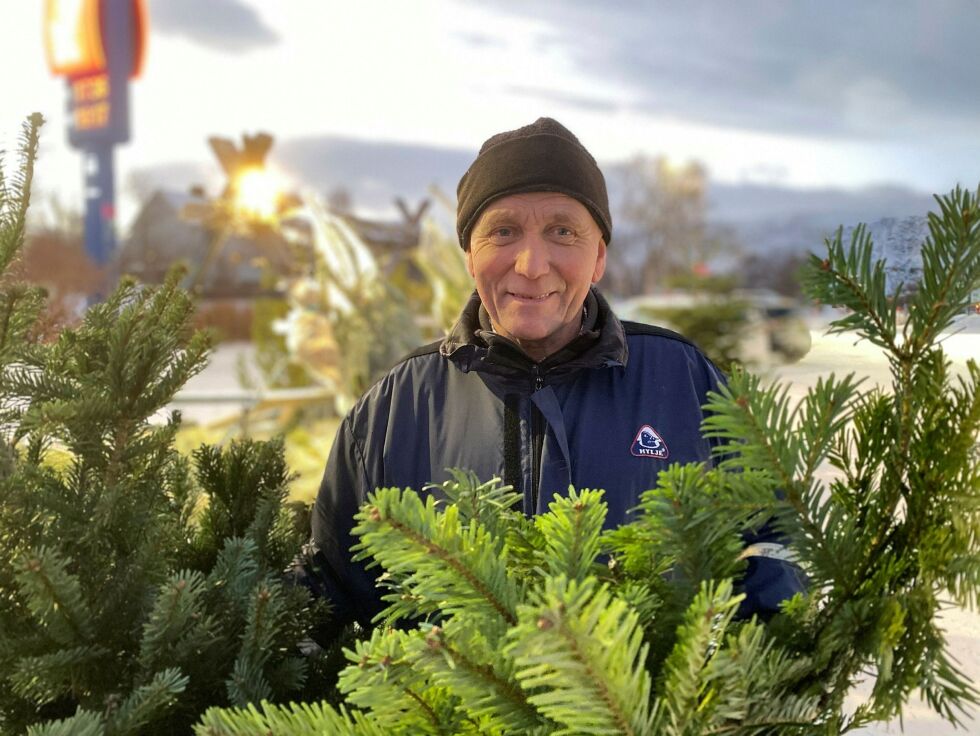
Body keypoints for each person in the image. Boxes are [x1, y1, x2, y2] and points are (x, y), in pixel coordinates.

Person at [294, 117, 803, 632]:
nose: (532, 264)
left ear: (599, 255)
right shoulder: (395, 407)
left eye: (562, 231)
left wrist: (746, 685)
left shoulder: (686, 382)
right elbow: (330, 602)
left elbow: (772, 544)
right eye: (503, 231)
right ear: (469, 254)